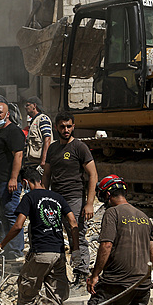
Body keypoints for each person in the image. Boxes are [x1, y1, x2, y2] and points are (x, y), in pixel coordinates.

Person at [0, 167, 78, 305]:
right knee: (56, 296)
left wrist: (1, 245)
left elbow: (18, 226)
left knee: (26, 294)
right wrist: (75, 250)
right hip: (58, 254)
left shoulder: (29, 197)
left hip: (40, 253)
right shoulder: (58, 197)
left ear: (25, 182)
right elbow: (73, 222)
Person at [85, 175, 153, 305]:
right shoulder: (144, 217)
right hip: (143, 288)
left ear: (108, 195)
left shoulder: (112, 213)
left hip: (116, 285)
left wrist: (95, 275)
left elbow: (106, 245)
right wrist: (143, 275)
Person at [43, 111, 98, 285]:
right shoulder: (53, 148)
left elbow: (93, 175)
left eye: (69, 126)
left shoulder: (79, 147)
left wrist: (89, 203)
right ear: (56, 127)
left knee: (77, 234)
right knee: (55, 234)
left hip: (75, 198)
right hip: (56, 198)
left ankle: (81, 273)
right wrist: (43, 196)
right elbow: (47, 174)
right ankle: (58, 273)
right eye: (62, 126)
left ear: (73, 126)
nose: (66, 130)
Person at [0, 102, 25, 259]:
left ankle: (15, 251)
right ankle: (4, 248)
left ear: (7, 114)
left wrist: (13, 178)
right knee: (0, 215)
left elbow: (18, 155)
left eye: (0, 112)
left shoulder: (13, 131)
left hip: (7, 182)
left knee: (10, 214)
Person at [24, 97, 52, 172]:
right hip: (31, 164)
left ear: (34, 105)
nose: (25, 108)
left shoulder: (42, 119)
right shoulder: (33, 121)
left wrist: (44, 160)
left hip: (37, 164)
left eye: (27, 105)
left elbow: (47, 139)